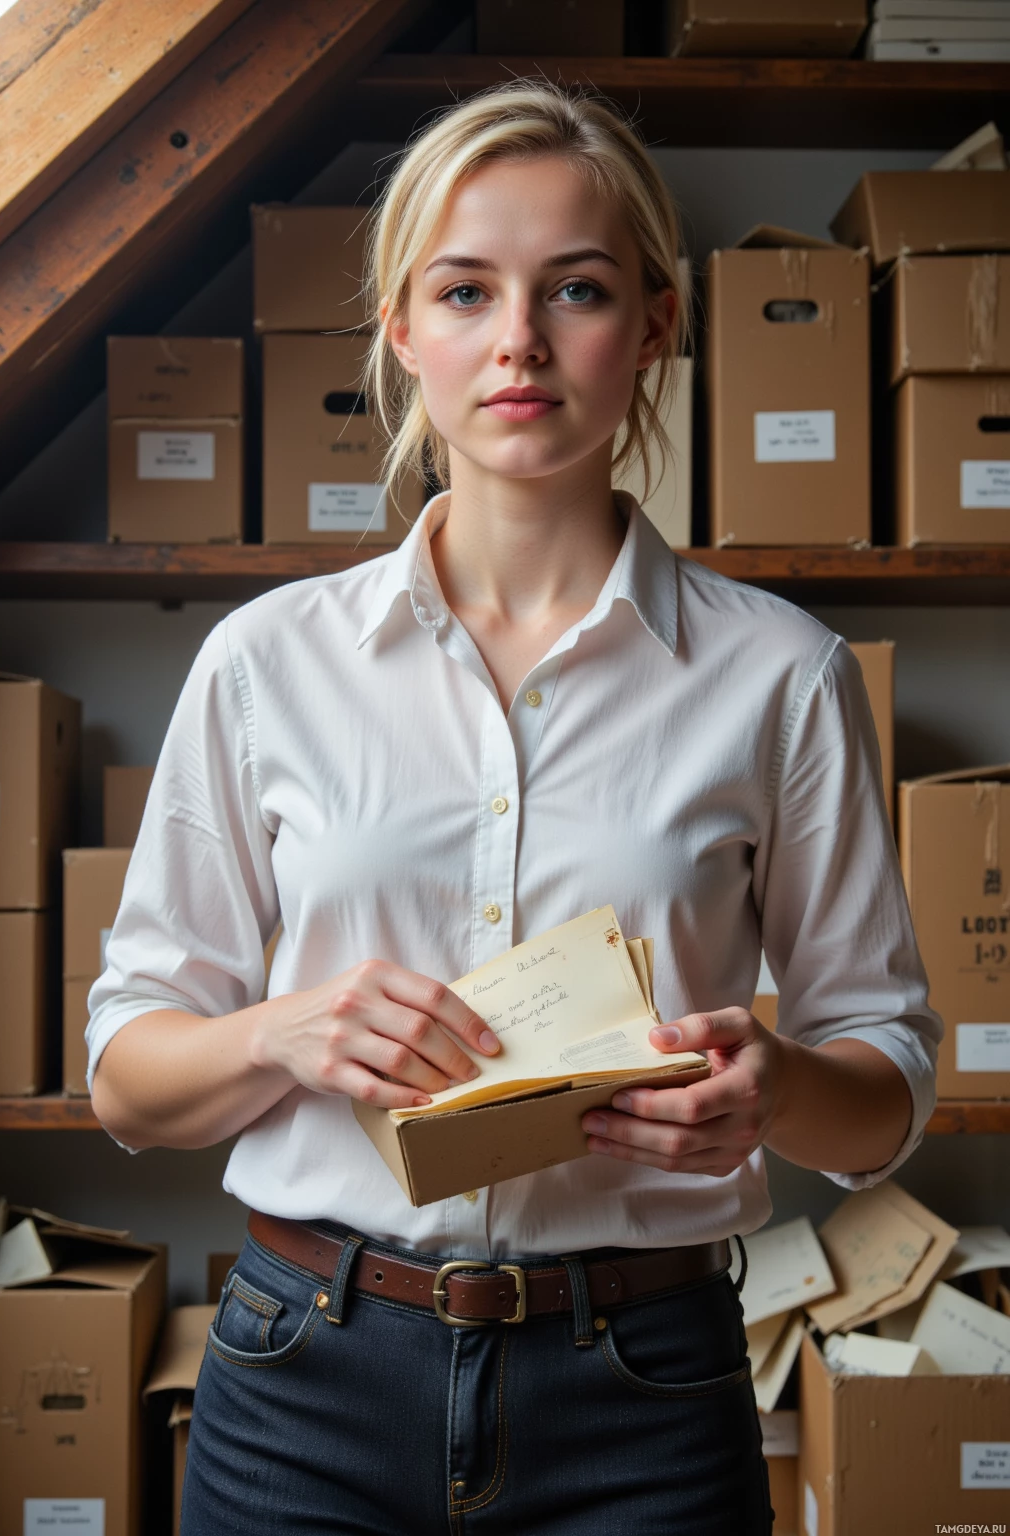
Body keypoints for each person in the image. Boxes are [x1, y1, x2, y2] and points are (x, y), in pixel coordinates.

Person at [88, 81, 940, 1535]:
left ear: (657, 326)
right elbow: (125, 1078)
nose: (520, 343)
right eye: (466, 290)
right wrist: (283, 1030)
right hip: (304, 1376)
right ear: (403, 326)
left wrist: (776, 1088)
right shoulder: (264, 663)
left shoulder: (781, 676)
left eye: (579, 290)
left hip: (644, 1396)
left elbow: (887, 1082)